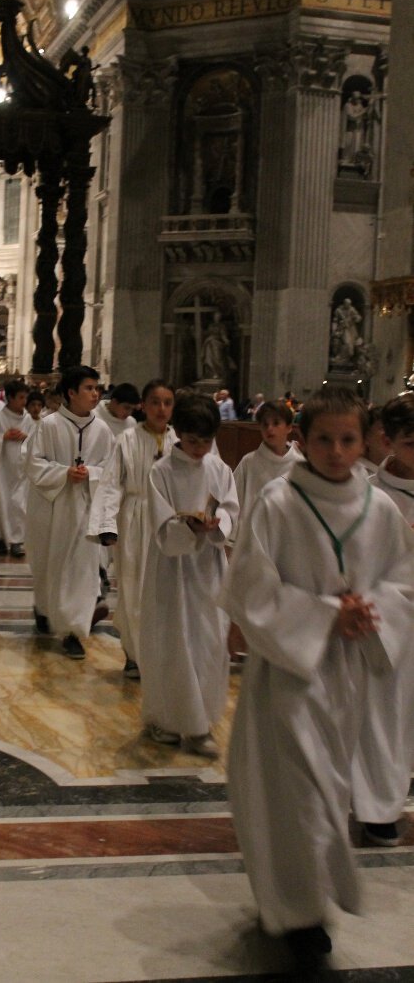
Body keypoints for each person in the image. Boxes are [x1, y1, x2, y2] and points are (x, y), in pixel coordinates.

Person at [220, 387, 414, 973]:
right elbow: (251, 587)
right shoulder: (279, 502)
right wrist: (329, 613)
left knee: (330, 788)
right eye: (324, 438)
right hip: (290, 671)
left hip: (346, 671)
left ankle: (303, 901)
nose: (336, 451)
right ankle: (300, 914)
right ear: (301, 438)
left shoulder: (379, 508)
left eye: (348, 439)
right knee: (295, 791)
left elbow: (402, 580)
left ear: (366, 441)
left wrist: (369, 612)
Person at [140, 392, 238, 755]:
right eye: (193, 441)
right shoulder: (161, 471)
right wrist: (187, 529)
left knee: (209, 642)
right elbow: (162, 526)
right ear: (177, 433)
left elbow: (231, 508)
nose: (199, 449)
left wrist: (216, 525)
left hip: (208, 569)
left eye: (207, 441)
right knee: (173, 642)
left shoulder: (218, 468)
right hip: (172, 569)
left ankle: (201, 723)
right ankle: (168, 720)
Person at [352, 392, 414, 847]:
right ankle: (378, 806)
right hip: (389, 620)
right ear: (386, 440)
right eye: (411, 442)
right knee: (384, 714)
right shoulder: (370, 494)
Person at [24, 365, 114, 659]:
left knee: (82, 570)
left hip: (86, 509)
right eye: (88, 388)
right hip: (52, 508)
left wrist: (91, 474)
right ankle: (44, 608)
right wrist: (64, 474)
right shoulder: (49, 425)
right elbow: (34, 464)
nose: (95, 393)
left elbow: (112, 470)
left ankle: (74, 631)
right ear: (71, 393)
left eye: (96, 388)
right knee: (49, 564)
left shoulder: (102, 430)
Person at [88, 379, 177, 678]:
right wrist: (107, 523)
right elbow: (112, 484)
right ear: (144, 405)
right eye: (155, 402)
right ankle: (134, 654)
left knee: (163, 591)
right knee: (133, 586)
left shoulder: (180, 443)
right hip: (135, 518)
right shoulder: (127, 439)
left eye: (167, 403)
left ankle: (158, 652)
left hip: (169, 523)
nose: (161, 409)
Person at [230, 400, 303, 541]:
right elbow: (234, 500)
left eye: (276, 423)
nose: (270, 428)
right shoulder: (249, 462)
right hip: (254, 539)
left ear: (289, 427)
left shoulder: (300, 464)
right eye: (265, 424)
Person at [0, 380, 33, 557]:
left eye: (26, 397)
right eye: (20, 397)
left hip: (21, 468)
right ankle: (2, 539)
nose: (24, 401)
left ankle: (17, 541)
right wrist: (2, 436)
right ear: (9, 398)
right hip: (1, 467)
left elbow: (38, 440)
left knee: (19, 504)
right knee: (1, 502)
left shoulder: (28, 419)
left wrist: (26, 436)